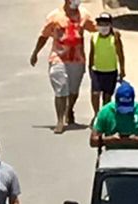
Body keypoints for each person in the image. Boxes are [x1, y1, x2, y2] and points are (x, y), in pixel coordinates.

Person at [30, 0, 94, 135]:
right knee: (61, 89)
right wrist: (35, 52)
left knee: (73, 91)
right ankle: (60, 120)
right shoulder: (55, 16)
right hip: (58, 58)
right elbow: (44, 36)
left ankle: (69, 109)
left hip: (77, 59)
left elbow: (96, 28)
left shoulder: (84, 15)